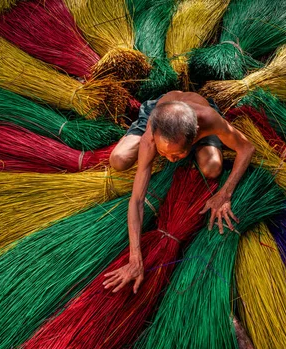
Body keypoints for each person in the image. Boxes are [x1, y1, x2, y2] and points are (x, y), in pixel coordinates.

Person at [102, 90, 255, 293]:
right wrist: (135, 258)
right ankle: (154, 141)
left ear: (195, 136)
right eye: (163, 153)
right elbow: (137, 199)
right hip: (160, 113)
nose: (170, 160)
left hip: (191, 119)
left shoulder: (209, 119)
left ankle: (187, 149)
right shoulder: (151, 136)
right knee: (119, 160)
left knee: (212, 169)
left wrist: (225, 193)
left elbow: (247, 148)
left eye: (178, 154)